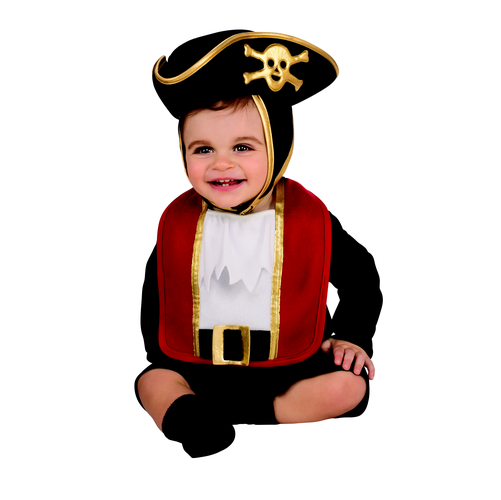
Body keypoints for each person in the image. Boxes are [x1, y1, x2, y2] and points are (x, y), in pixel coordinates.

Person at [135, 30, 383, 458]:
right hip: (198, 367)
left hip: (290, 367)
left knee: (349, 386)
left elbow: (360, 276)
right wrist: (160, 350)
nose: (221, 163)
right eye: (202, 149)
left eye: (242, 147)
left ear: (279, 147)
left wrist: (352, 336)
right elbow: (158, 287)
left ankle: (265, 410)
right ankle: (192, 417)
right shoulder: (181, 222)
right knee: (152, 380)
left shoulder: (310, 219)